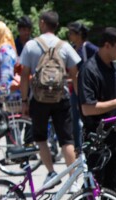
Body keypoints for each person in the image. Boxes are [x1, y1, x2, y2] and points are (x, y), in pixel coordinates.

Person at [19, 10, 81, 185]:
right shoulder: (65, 46)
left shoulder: (31, 45)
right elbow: (75, 74)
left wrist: (24, 100)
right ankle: (72, 180)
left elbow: (24, 74)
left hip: (38, 99)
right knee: (66, 139)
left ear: (43, 23)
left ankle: (51, 172)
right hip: (61, 98)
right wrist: (79, 98)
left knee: (40, 137)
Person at [78, 27, 116, 193]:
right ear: (106, 46)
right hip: (96, 136)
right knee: (94, 184)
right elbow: (88, 108)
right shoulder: (89, 70)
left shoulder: (115, 68)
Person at [67, 22, 98, 155]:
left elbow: (99, 58)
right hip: (74, 88)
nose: (69, 35)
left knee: (87, 117)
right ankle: (79, 147)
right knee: (75, 119)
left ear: (78, 35)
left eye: (71, 33)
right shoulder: (73, 48)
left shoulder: (88, 47)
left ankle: (89, 144)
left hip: (86, 88)